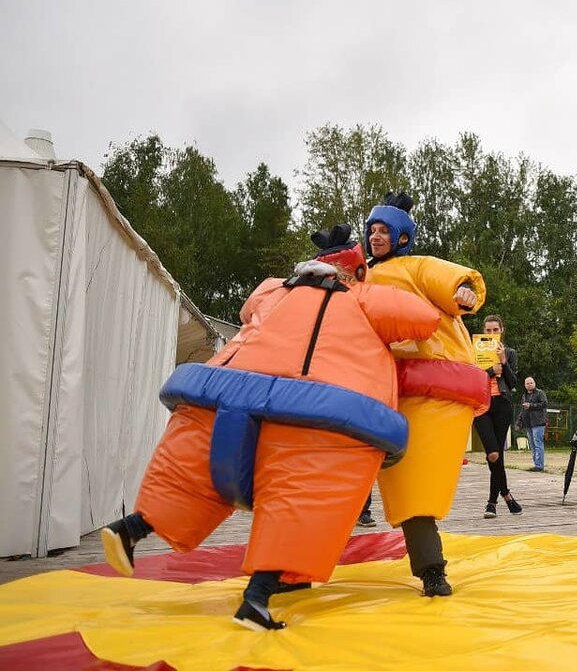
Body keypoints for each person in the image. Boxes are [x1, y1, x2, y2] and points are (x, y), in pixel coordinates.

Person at [102, 228, 441, 630]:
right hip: (313, 414)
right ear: (354, 271)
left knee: (191, 482)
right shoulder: (365, 299)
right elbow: (425, 320)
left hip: (222, 395)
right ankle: (256, 600)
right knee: (301, 502)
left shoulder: (275, 291)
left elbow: (248, 311)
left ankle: (130, 529)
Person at [364, 193, 492, 595]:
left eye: (384, 230)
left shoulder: (416, 268)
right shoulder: (360, 278)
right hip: (371, 386)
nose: (375, 237)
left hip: (427, 386)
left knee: (413, 485)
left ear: (402, 237)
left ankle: (432, 569)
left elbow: (453, 284)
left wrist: (463, 295)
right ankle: (290, 570)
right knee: (335, 478)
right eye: (371, 230)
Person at [473, 315, 524, 517]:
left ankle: (491, 503)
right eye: (488, 330)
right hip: (481, 405)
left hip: (502, 404)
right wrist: (490, 371)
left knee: (498, 455)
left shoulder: (510, 353)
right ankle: (506, 494)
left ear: (502, 330)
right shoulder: (475, 351)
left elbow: (512, 383)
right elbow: (471, 378)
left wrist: (504, 362)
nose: (492, 333)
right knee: (492, 453)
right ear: (483, 332)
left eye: (495, 330)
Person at [522, 376, 548, 472]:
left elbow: (544, 404)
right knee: (532, 445)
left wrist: (531, 405)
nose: (529, 385)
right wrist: (520, 421)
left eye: (531, 383)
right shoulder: (524, 396)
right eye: (527, 383)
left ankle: (539, 465)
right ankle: (536, 464)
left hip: (538, 422)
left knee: (538, 444)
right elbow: (523, 410)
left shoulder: (540, 393)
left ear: (534, 383)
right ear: (525, 385)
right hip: (528, 423)